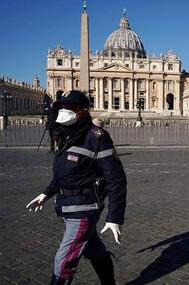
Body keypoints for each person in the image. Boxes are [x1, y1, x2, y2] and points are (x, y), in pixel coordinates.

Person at [26, 90, 127, 285]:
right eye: (62, 107)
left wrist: (115, 217)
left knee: (63, 261)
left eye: (70, 108)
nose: (64, 111)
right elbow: (65, 173)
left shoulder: (97, 137)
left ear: (83, 111)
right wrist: (46, 193)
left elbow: (116, 179)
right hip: (66, 204)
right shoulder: (66, 135)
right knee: (92, 248)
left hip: (84, 208)